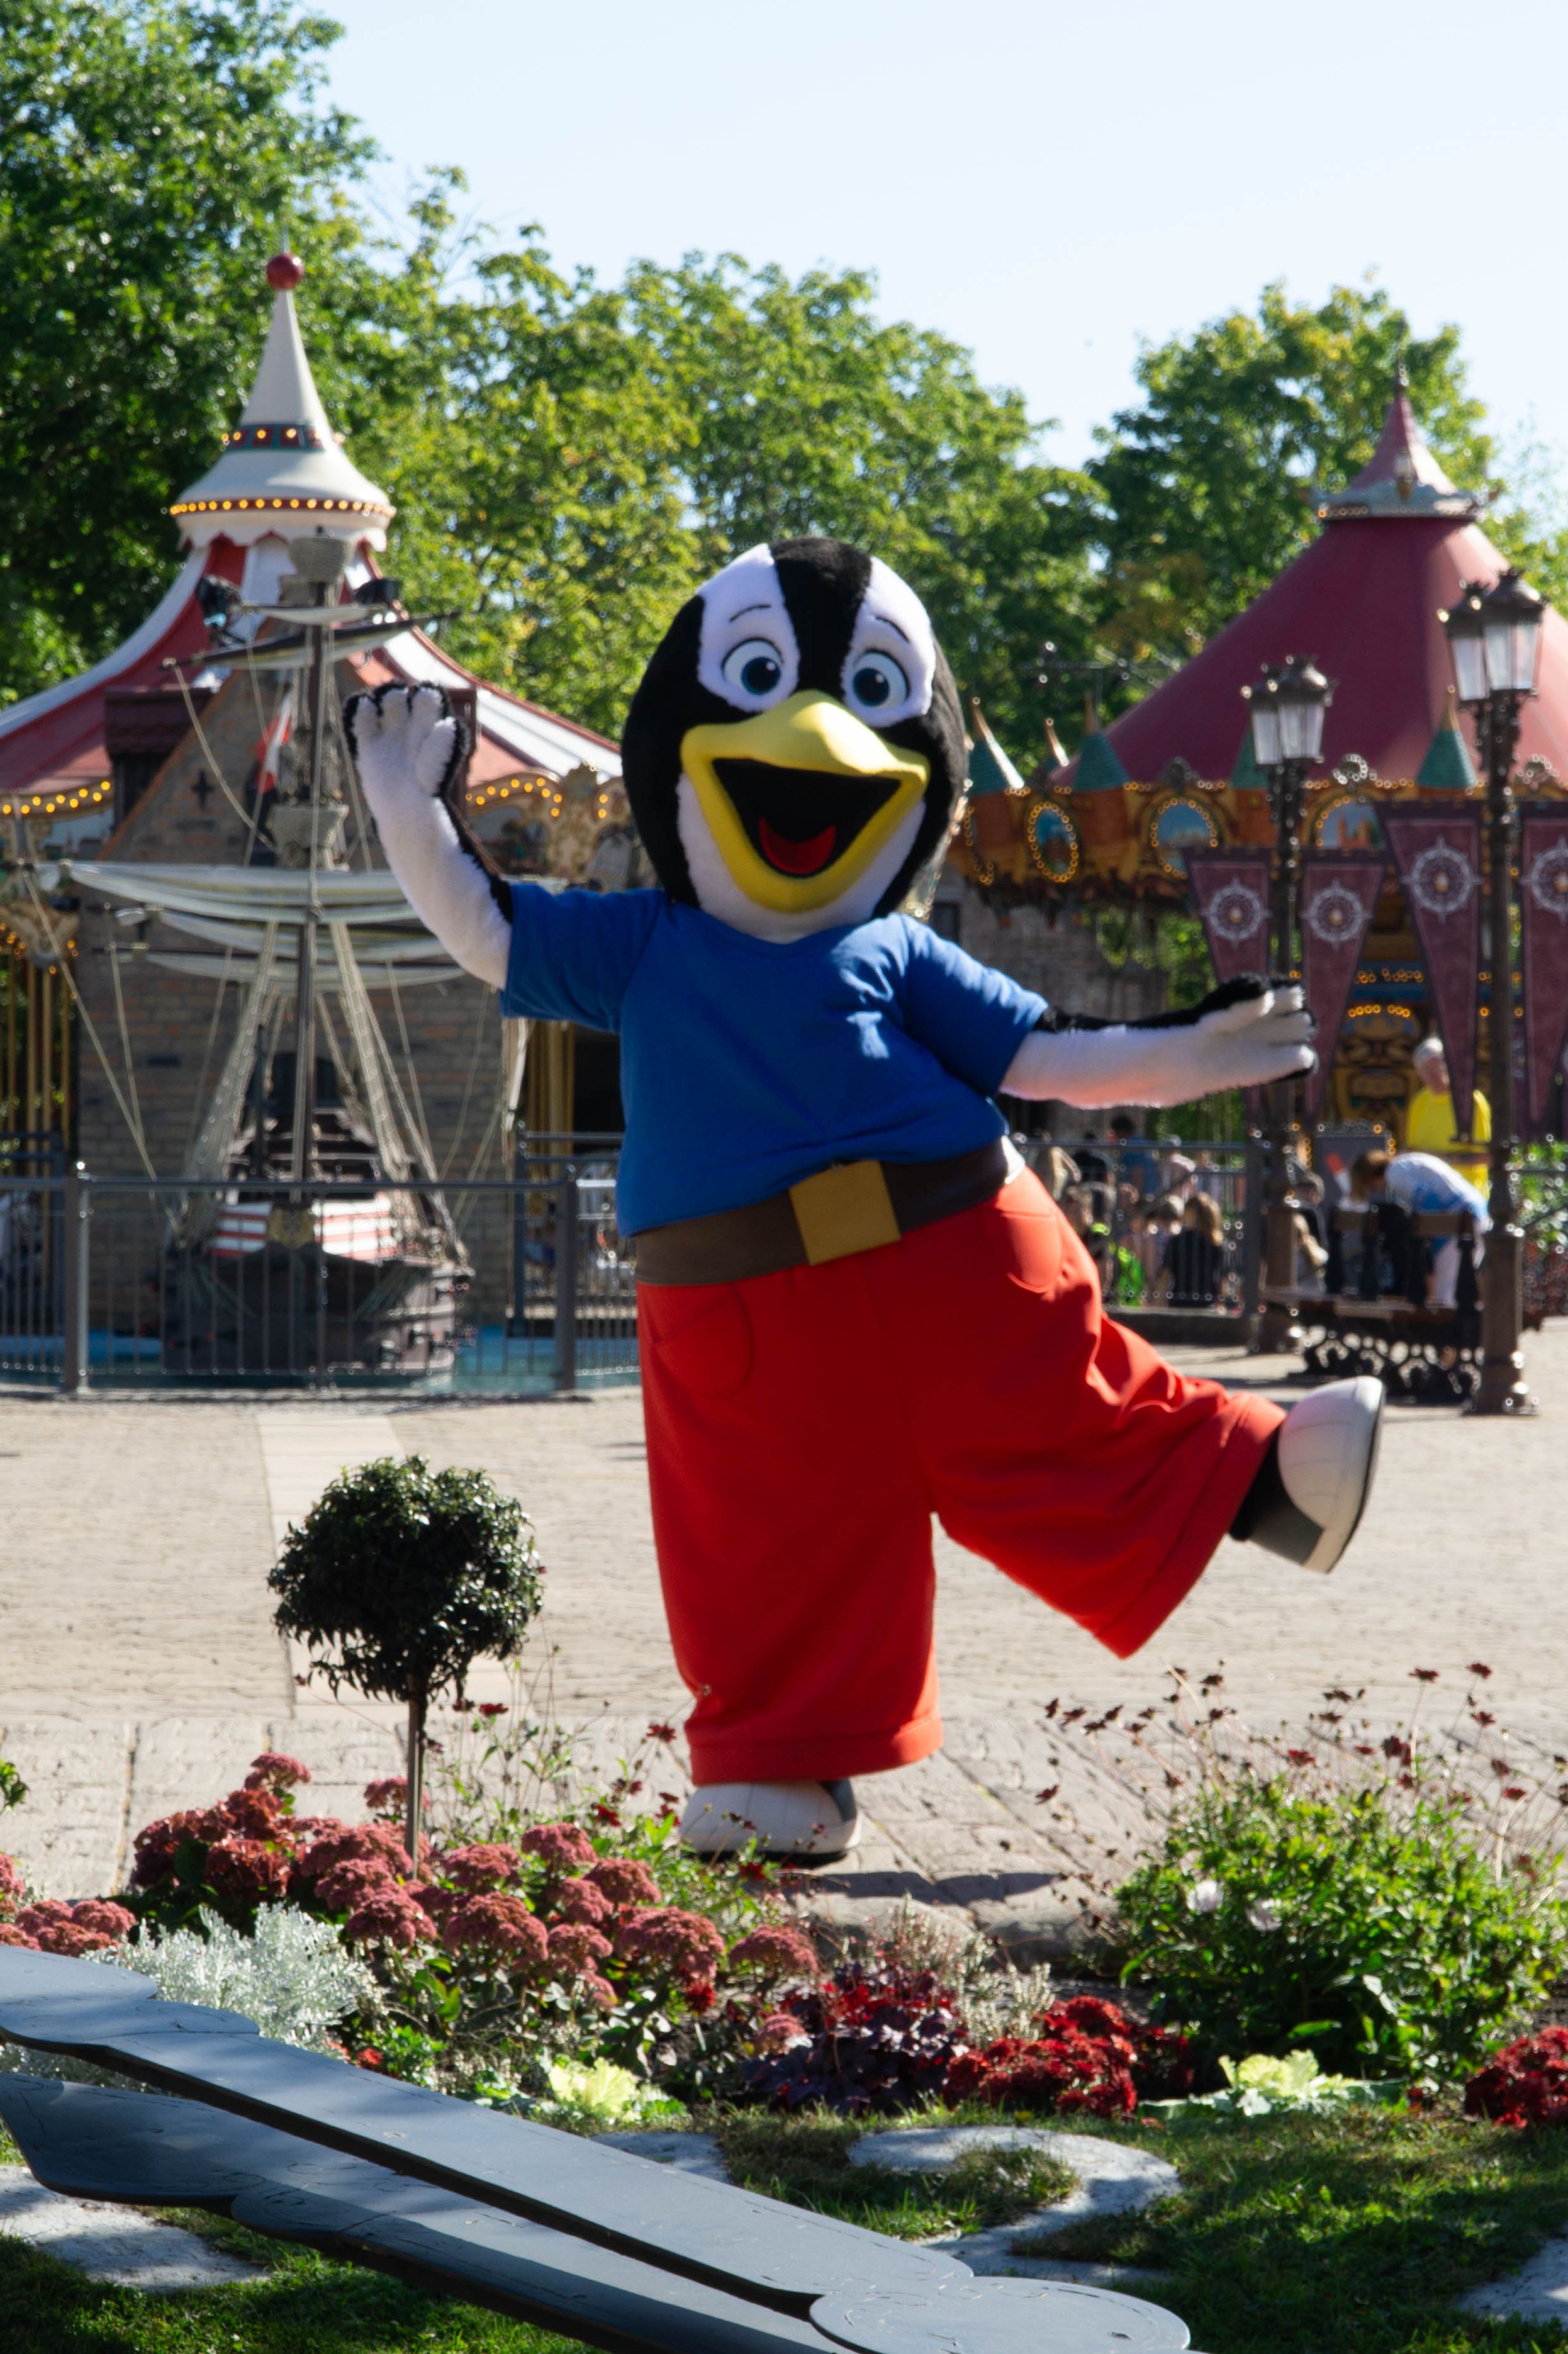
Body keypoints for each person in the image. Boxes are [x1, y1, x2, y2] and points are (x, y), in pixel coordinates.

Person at [347, 534, 1388, 1866]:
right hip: (739, 1311)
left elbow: (1040, 1055)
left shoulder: (892, 949)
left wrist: (1189, 1052)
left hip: (946, 1243)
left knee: (1056, 1417)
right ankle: (779, 1767)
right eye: (757, 682)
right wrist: (406, 807)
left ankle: (1269, 1476)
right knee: (766, 1533)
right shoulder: (643, 943)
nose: (811, 745)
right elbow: (488, 931)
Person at [1346, 1145, 1490, 1308]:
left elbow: (1431, 1203)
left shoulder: (1394, 1175)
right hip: (1478, 1213)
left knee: (1444, 1296)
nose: (1374, 1190)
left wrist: (1428, 1247)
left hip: (1458, 1220)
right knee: (1462, 1287)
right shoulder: (1407, 1161)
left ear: (1369, 1177)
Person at [1403, 1036, 1489, 1185]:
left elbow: (1486, 1157)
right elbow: (1413, 1149)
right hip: (1429, 1193)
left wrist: (1438, 1160)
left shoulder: (1471, 1100)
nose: (1433, 1076)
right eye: (1426, 1071)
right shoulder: (1420, 1101)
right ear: (1419, 1074)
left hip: (1464, 1192)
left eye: (1438, 1068)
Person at [1165, 1192, 1225, 1306]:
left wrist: (1158, 1301)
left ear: (1191, 1213)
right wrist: (1220, 1305)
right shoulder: (1217, 1244)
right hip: (1208, 1302)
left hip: (1180, 1302)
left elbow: (1166, 1274)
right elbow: (1222, 1279)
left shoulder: (1177, 1241)